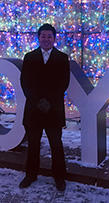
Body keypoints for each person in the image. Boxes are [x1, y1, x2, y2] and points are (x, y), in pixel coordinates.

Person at [18, 23, 70, 192]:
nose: (46, 39)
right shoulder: (29, 57)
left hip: (53, 110)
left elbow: (63, 82)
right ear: (38, 38)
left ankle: (59, 177)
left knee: (56, 144)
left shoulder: (62, 58)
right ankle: (30, 175)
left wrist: (49, 101)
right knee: (33, 144)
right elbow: (25, 82)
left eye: (49, 36)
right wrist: (38, 101)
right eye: (43, 36)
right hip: (34, 109)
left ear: (54, 39)